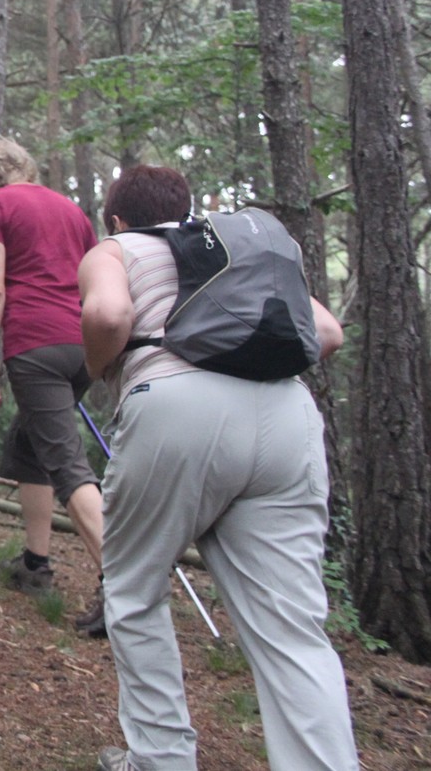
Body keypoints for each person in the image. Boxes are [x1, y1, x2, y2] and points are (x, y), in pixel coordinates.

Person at [78, 165, 356, 771]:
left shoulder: (116, 248)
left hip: (176, 407)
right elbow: (328, 333)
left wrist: (101, 369)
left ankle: (160, 760)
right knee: (292, 628)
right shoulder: (233, 253)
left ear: (116, 218)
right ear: (186, 213)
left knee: (134, 589)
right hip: (287, 417)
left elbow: (107, 315)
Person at [0, 134, 106, 636]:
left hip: (35, 344)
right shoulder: (72, 211)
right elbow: (95, 279)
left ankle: (123, 584)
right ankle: (35, 563)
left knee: (66, 464)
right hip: (83, 344)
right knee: (29, 447)